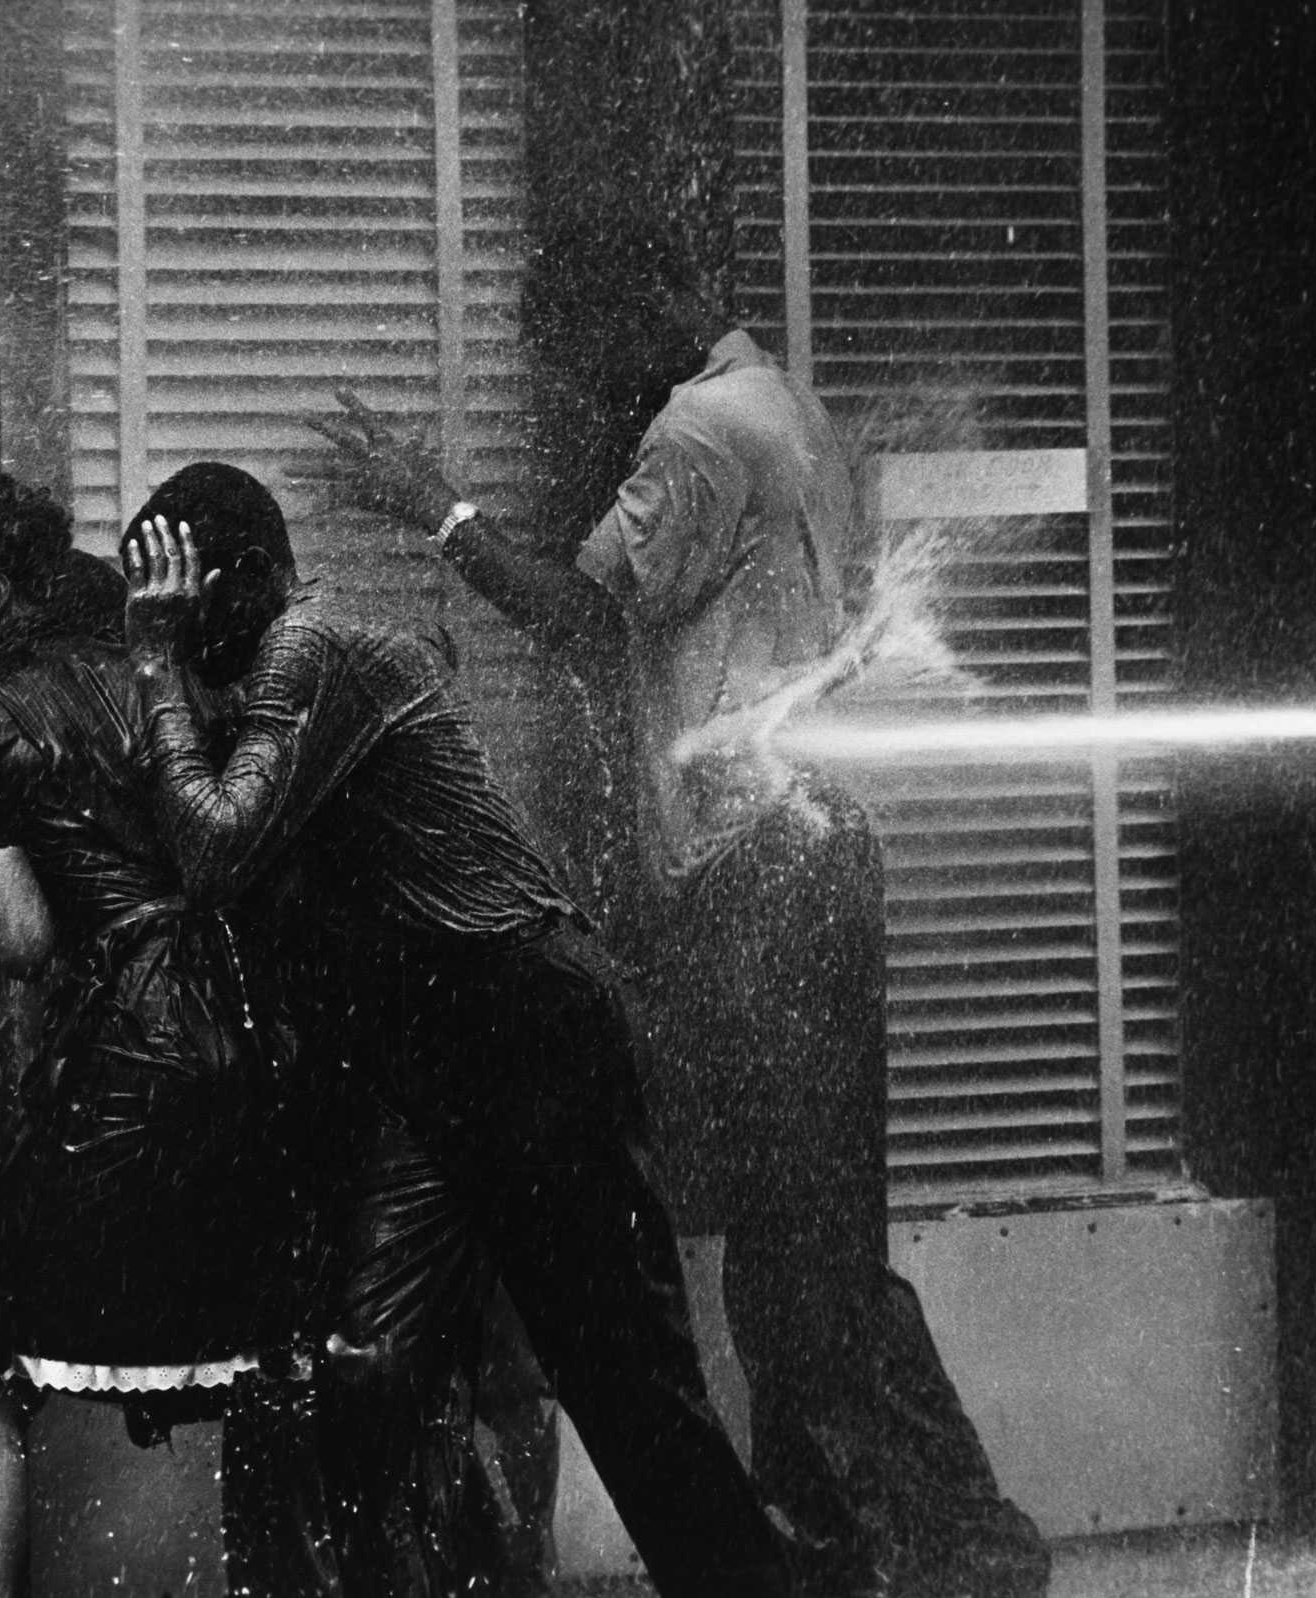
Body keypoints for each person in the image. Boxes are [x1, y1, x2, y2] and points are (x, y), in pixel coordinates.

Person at [302, 243, 1051, 1598]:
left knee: (775, 1256)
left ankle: (954, 1547)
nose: (574, 386)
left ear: (644, 311)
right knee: (795, 1250)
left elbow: (580, 619)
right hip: (796, 858)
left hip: (762, 867)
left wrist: (434, 505)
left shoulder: (696, 431)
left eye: (572, 349)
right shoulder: (778, 400)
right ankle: (875, 1543)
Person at [120, 462, 881, 1598]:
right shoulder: (271, 679)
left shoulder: (311, 647)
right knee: (368, 1368)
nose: (172, 628)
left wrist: (152, 664)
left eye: (180, 597)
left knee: (626, 1386)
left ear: (238, 583)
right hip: (444, 1051)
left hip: (529, 1027)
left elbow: (216, 850)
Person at [0, 475, 347, 1597]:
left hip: (128, 1060)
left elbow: (23, 935)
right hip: (259, 1045)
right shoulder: (164, 674)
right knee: (268, 1354)